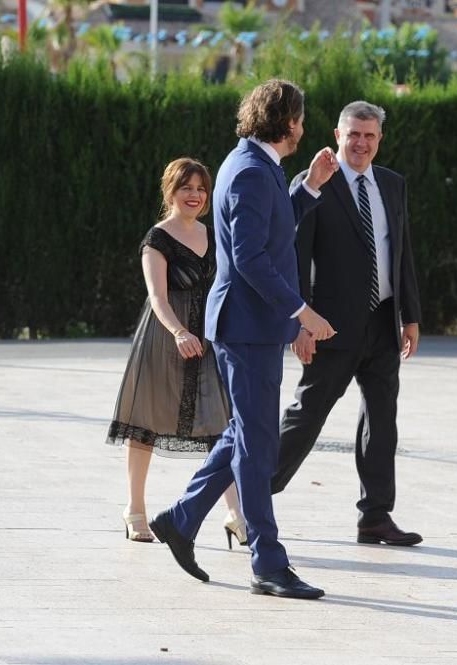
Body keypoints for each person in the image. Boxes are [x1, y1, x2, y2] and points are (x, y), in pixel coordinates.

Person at [149, 79, 339, 600]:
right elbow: (252, 259)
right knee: (258, 447)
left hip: (251, 327)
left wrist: (311, 186)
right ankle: (268, 564)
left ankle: (181, 518)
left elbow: (273, 233)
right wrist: (303, 312)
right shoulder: (252, 172)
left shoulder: (258, 166)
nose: (303, 124)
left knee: (244, 435)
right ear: (287, 121)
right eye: (300, 116)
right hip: (247, 328)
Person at [272, 101, 424, 547]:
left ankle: (375, 516)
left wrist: (410, 315)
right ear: (337, 135)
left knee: (382, 419)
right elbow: (295, 257)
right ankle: (252, 499)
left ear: (380, 140)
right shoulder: (315, 183)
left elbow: (402, 252)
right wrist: (299, 324)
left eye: (369, 136)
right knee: (306, 416)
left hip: (382, 323)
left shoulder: (392, 185)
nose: (360, 143)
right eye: (353, 134)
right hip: (329, 327)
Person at [106, 158, 245, 549]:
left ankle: (235, 514)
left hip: (210, 338)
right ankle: (134, 510)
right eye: (187, 187)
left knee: (222, 425)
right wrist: (179, 332)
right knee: (144, 423)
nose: (195, 195)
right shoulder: (157, 238)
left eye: (201, 189)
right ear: (171, 191)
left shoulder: (213, 232)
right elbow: (157, 297)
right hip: (165, 337)